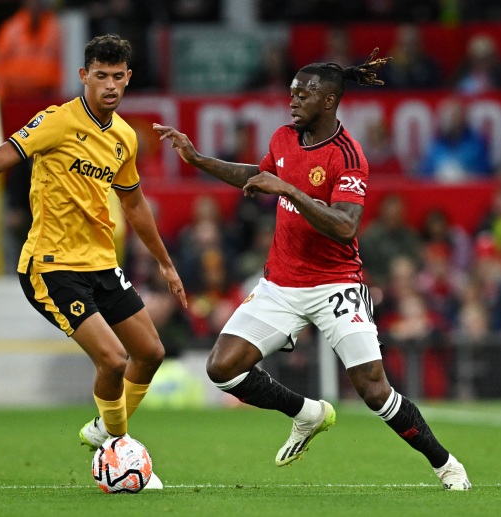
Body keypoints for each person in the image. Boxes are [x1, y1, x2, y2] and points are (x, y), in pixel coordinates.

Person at [152, 48, 471, 490]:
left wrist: (288, 189)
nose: (293, 101)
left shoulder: (348, 155)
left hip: (336, 284)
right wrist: (200, 160)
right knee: (222, 367)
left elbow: (345, 226)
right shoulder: (283, 138)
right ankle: (306, 413)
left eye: (304, 94)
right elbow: (258, 174)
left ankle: (445, 464)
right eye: (292, 93)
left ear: (329, 101)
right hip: (280, 282)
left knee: (374, 390)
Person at [0, 34, 186, 488]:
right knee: (113, 360)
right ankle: (118, 448)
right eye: (100, 76)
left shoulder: (124, 138)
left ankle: (103, 430)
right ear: (83, 76)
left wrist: (165, 264)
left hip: (100, 264)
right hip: (50, 266)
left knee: (151, 352)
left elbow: (134, 206)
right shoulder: (57, 121)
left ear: (129, 78)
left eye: (118, 77)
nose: (109, 85)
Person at [0, 0, 63, 102]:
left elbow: (64, 68)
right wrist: (1, 98)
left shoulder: (55, 29)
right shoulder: (11, 29)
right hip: (13, 98)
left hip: (45, 98)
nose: (34, 4)